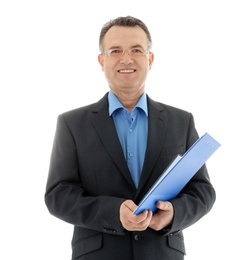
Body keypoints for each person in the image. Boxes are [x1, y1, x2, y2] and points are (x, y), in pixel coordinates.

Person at [45, 16, 216, 260]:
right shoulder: (72, 123)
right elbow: (58, 195)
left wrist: (174, 214)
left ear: (150, 59)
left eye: (136, 50)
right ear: (102, 61)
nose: (127, 59)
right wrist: (113, 212)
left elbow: (202, 190)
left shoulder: (181, 121)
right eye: (115, 51)